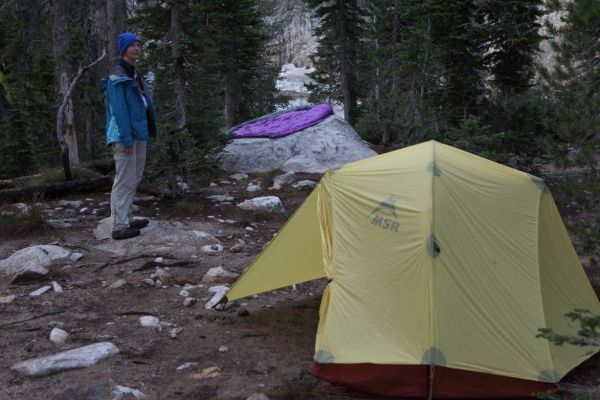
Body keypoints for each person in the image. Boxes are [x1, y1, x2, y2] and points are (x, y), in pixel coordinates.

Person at [103, 32, 157, 240]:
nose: (137, 48)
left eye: (138, 45)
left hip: (138, 133)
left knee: (134, 177)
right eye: (132, 45)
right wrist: (126, 139)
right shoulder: (118, 76)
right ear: (124, 49)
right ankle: (119, 226)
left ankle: (128, 218)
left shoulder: (133, 73)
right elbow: (119, 110)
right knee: (124, 179)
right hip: (124, 135)